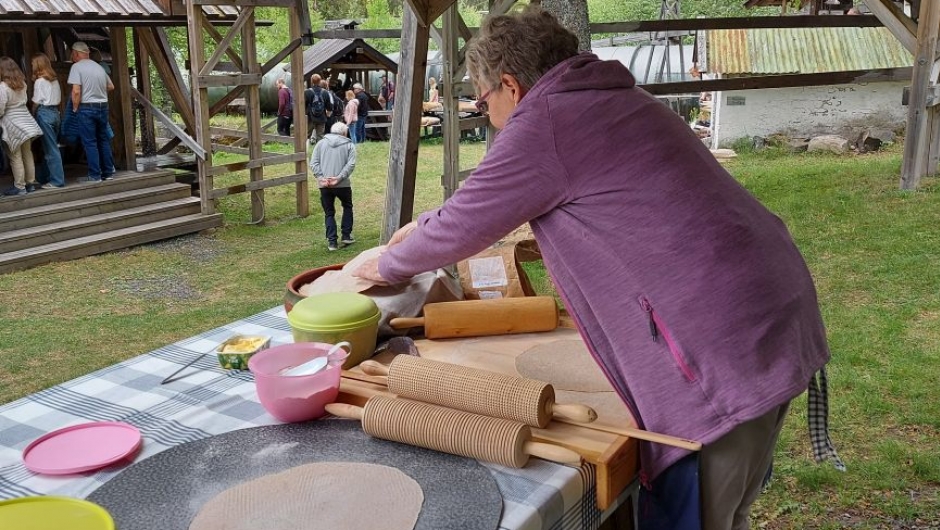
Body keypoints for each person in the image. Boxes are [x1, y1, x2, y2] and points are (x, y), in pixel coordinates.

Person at [353, 7, 843, 530]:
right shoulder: (618, 100)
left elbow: (464, 225)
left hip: (716, 349)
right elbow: (487, 203)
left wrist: (382, 264)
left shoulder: (546, 122)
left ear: (512, 87)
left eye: (483, 98)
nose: (487, 111)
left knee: (692, 517)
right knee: (729, 512)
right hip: (770, 310)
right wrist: (423, 225)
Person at [68, 41, 115, 182]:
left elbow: (76, 91)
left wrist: (75, 108)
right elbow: (111, 86)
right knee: (103, 140)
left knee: (90, 142)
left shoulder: (76, 67)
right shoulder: (99, 67)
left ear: (76, 53)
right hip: (103, 106)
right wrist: (97, 92)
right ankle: (107, 173)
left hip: (87, 107)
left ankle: (94, 175)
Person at [309, 122, 356, 252]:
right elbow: (350, 165)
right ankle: (346, 235)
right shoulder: (349, 145)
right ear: (344, 132)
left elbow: (313, 163)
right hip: (343, 184)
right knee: (347, 206)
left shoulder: (320, 144)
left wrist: (321, 178)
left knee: (329, 213)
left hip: (324, 185)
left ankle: (332, 242)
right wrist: (339, 178)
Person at [0, 56, 42, 196]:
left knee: (14, 156)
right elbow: (24, 101)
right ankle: (30, 183)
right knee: (27, 154)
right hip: (26, 121)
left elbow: (1, 108)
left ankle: (20, 187)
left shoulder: (3, 87)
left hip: (11, 123)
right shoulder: (22, 84)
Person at [31, 52, 65, 189]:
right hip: (55, 113)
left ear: (38, 64)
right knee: (50, 147)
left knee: (50, 149)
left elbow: (36, 101)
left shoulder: (39, 81)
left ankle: (57, 180)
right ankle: (43, 177)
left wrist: (33, 112)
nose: (32, 65)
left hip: (44, 113)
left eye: (33, 63)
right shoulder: (54, 79)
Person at [304, 73, 326, 144]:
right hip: (322, 117)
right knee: (320, 136)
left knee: (307, 136)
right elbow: (330, 106)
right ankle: (320, 153)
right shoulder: (325, 92)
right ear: (320, 81)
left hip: (310, 117)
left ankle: (305, 153)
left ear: (311, 81)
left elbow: (303, 105)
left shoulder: (307, 92)